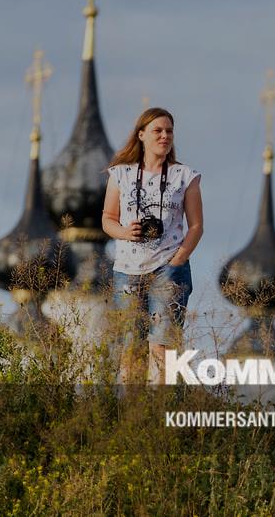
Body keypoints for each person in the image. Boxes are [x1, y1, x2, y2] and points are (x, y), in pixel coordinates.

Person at [102, 107, 204, 384]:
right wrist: (125, 232)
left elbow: (196, 226)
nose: (164, 136)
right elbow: (107, 218)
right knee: (130, 347)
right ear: (141, 135)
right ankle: (130, 408)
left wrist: (178, 260)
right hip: (127, 270)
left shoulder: (185, 176)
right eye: (157, 130)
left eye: (169, 131)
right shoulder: (120, 174)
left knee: (163, 345)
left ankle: (159, 407)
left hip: (168, 268)